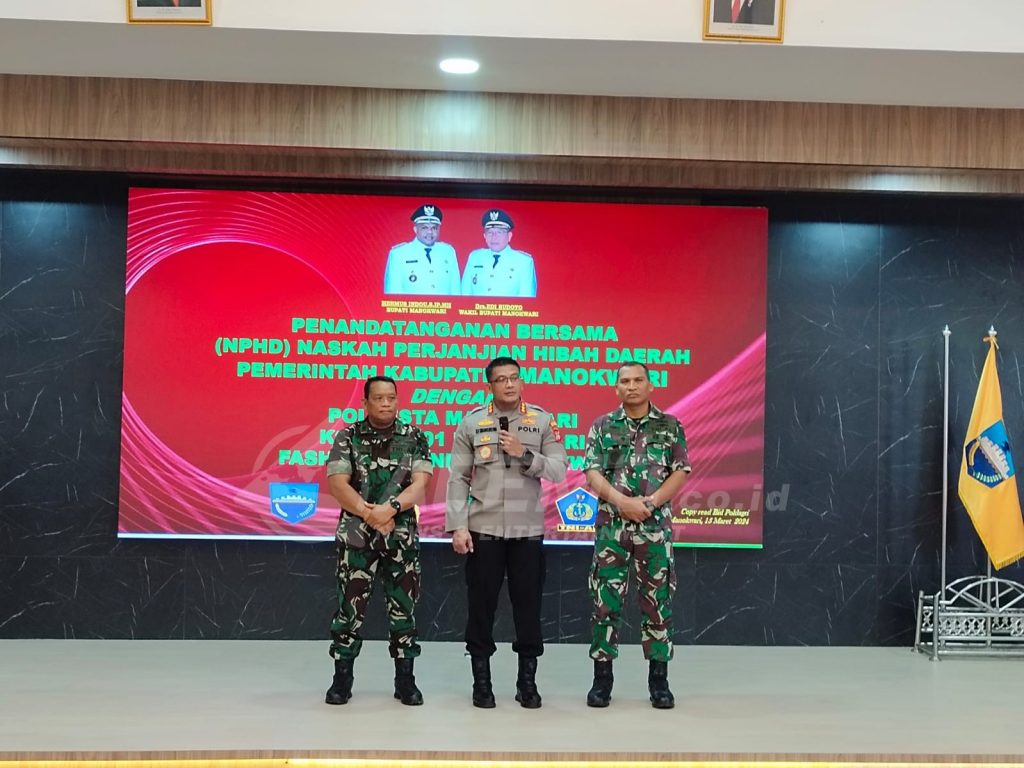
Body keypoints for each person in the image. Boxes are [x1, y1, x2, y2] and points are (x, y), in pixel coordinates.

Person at [446, 357, 567, 708]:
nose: (509, 384)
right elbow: (458, 478)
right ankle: (481, 683)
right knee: (480, 608)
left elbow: (559, 469)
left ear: (522, 382)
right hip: (483, 530)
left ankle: (527, 683)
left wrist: (524, 454)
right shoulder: (472, 422)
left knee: (528, 608)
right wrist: (458, 526)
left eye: (514, 378)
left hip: (526, 531)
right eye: (501, 379)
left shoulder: (541, 420)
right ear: (490, 386)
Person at [583, 361, 691, 709]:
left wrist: (650, 503)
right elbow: (592, 473)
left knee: (657, 604)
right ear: (616, 388)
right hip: (612, 530)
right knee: (605, 605)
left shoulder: (670, 425)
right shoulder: (602, 426)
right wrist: (623, 503)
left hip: (654, 529)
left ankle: (659, 682)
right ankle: (602, 681)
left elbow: (680, 471)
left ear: (650, 385)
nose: (631, 386)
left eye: (638, 380)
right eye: (625, 381)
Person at [323, 376, 433, 706]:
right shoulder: (348, 436)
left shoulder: (414, 436)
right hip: (357, 539)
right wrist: (368, 514)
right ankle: (342, 679)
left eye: (391, 398)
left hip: (400, 539)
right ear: (365, 403)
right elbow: (337, 483)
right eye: (379, 398)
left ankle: (405, 680)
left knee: (404, 612)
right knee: (348, 611)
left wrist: (391, 509)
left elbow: (420, 484)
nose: (386, 403)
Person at [383, 203, 461, 295]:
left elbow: (456, 291)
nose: (430, 232)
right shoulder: (398, 254)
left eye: (434, 228)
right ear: (415, 229)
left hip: (444, 305)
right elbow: (392, 293)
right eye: (424, 228)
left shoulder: (448, 252)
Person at [460, 209, 537, 298]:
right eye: (490, 232)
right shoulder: (475, 257)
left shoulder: (524, 262)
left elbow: (527, 300)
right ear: (484, 236)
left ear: (509, 236)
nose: (494, 237)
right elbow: (464, 295)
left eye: (499, 232)